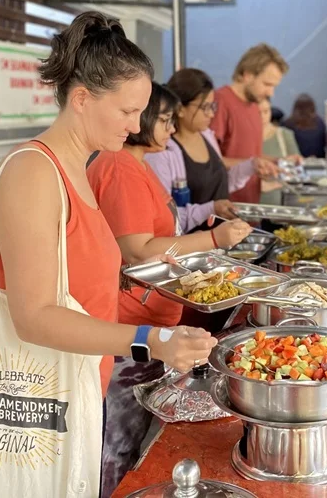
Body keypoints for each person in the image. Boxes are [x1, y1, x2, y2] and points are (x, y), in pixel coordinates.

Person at [0, 12, 218, 494]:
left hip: (82, 380)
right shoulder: (33, 171)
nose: (136, 127)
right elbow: (34, 316)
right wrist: (150, 340)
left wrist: (138, 276)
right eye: (128, 111)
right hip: (36, 400)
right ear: (83, 98)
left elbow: (73, 274)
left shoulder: (79, 168)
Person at [87, 82, 252, 495]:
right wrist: (215, 240)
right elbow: (139, 250)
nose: (170, 128)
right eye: (162, 119)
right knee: (115, 445)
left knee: (128, 441)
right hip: (128, 328)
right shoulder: (119, 166)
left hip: (148, 324)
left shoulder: (139, 165)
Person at [146, 68, 265, 231]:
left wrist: (251, 166)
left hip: (221, 240)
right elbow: (167, 217)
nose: (211, 114)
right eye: (205, 107)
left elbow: (219, 184)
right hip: (192, 247)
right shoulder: (163, 152)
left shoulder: (207, 136)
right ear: (180, 109)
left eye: (213, 106)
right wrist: (210, 209)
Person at [211, 44, 288, 203]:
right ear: (247, 75)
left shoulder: (254, 106)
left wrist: (278, 162)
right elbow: (208, 161)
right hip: (225, 211)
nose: (271, 93)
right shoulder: (221, 102)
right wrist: (252, 164)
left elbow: (250, 156)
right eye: (267, 84)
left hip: (250, 205)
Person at [260, 97, 302, 205]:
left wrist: (274, 184)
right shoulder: (240, 137)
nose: (262, 116)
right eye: (257, 112)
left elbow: (297, 171)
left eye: (266, 111)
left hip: (280, 205)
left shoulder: (284, 135)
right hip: (247, 206)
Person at [282, 93, 327, 158]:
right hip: (317, 161)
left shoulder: (288, 124)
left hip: (295, 161)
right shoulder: (320, 123)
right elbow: (324, 143)